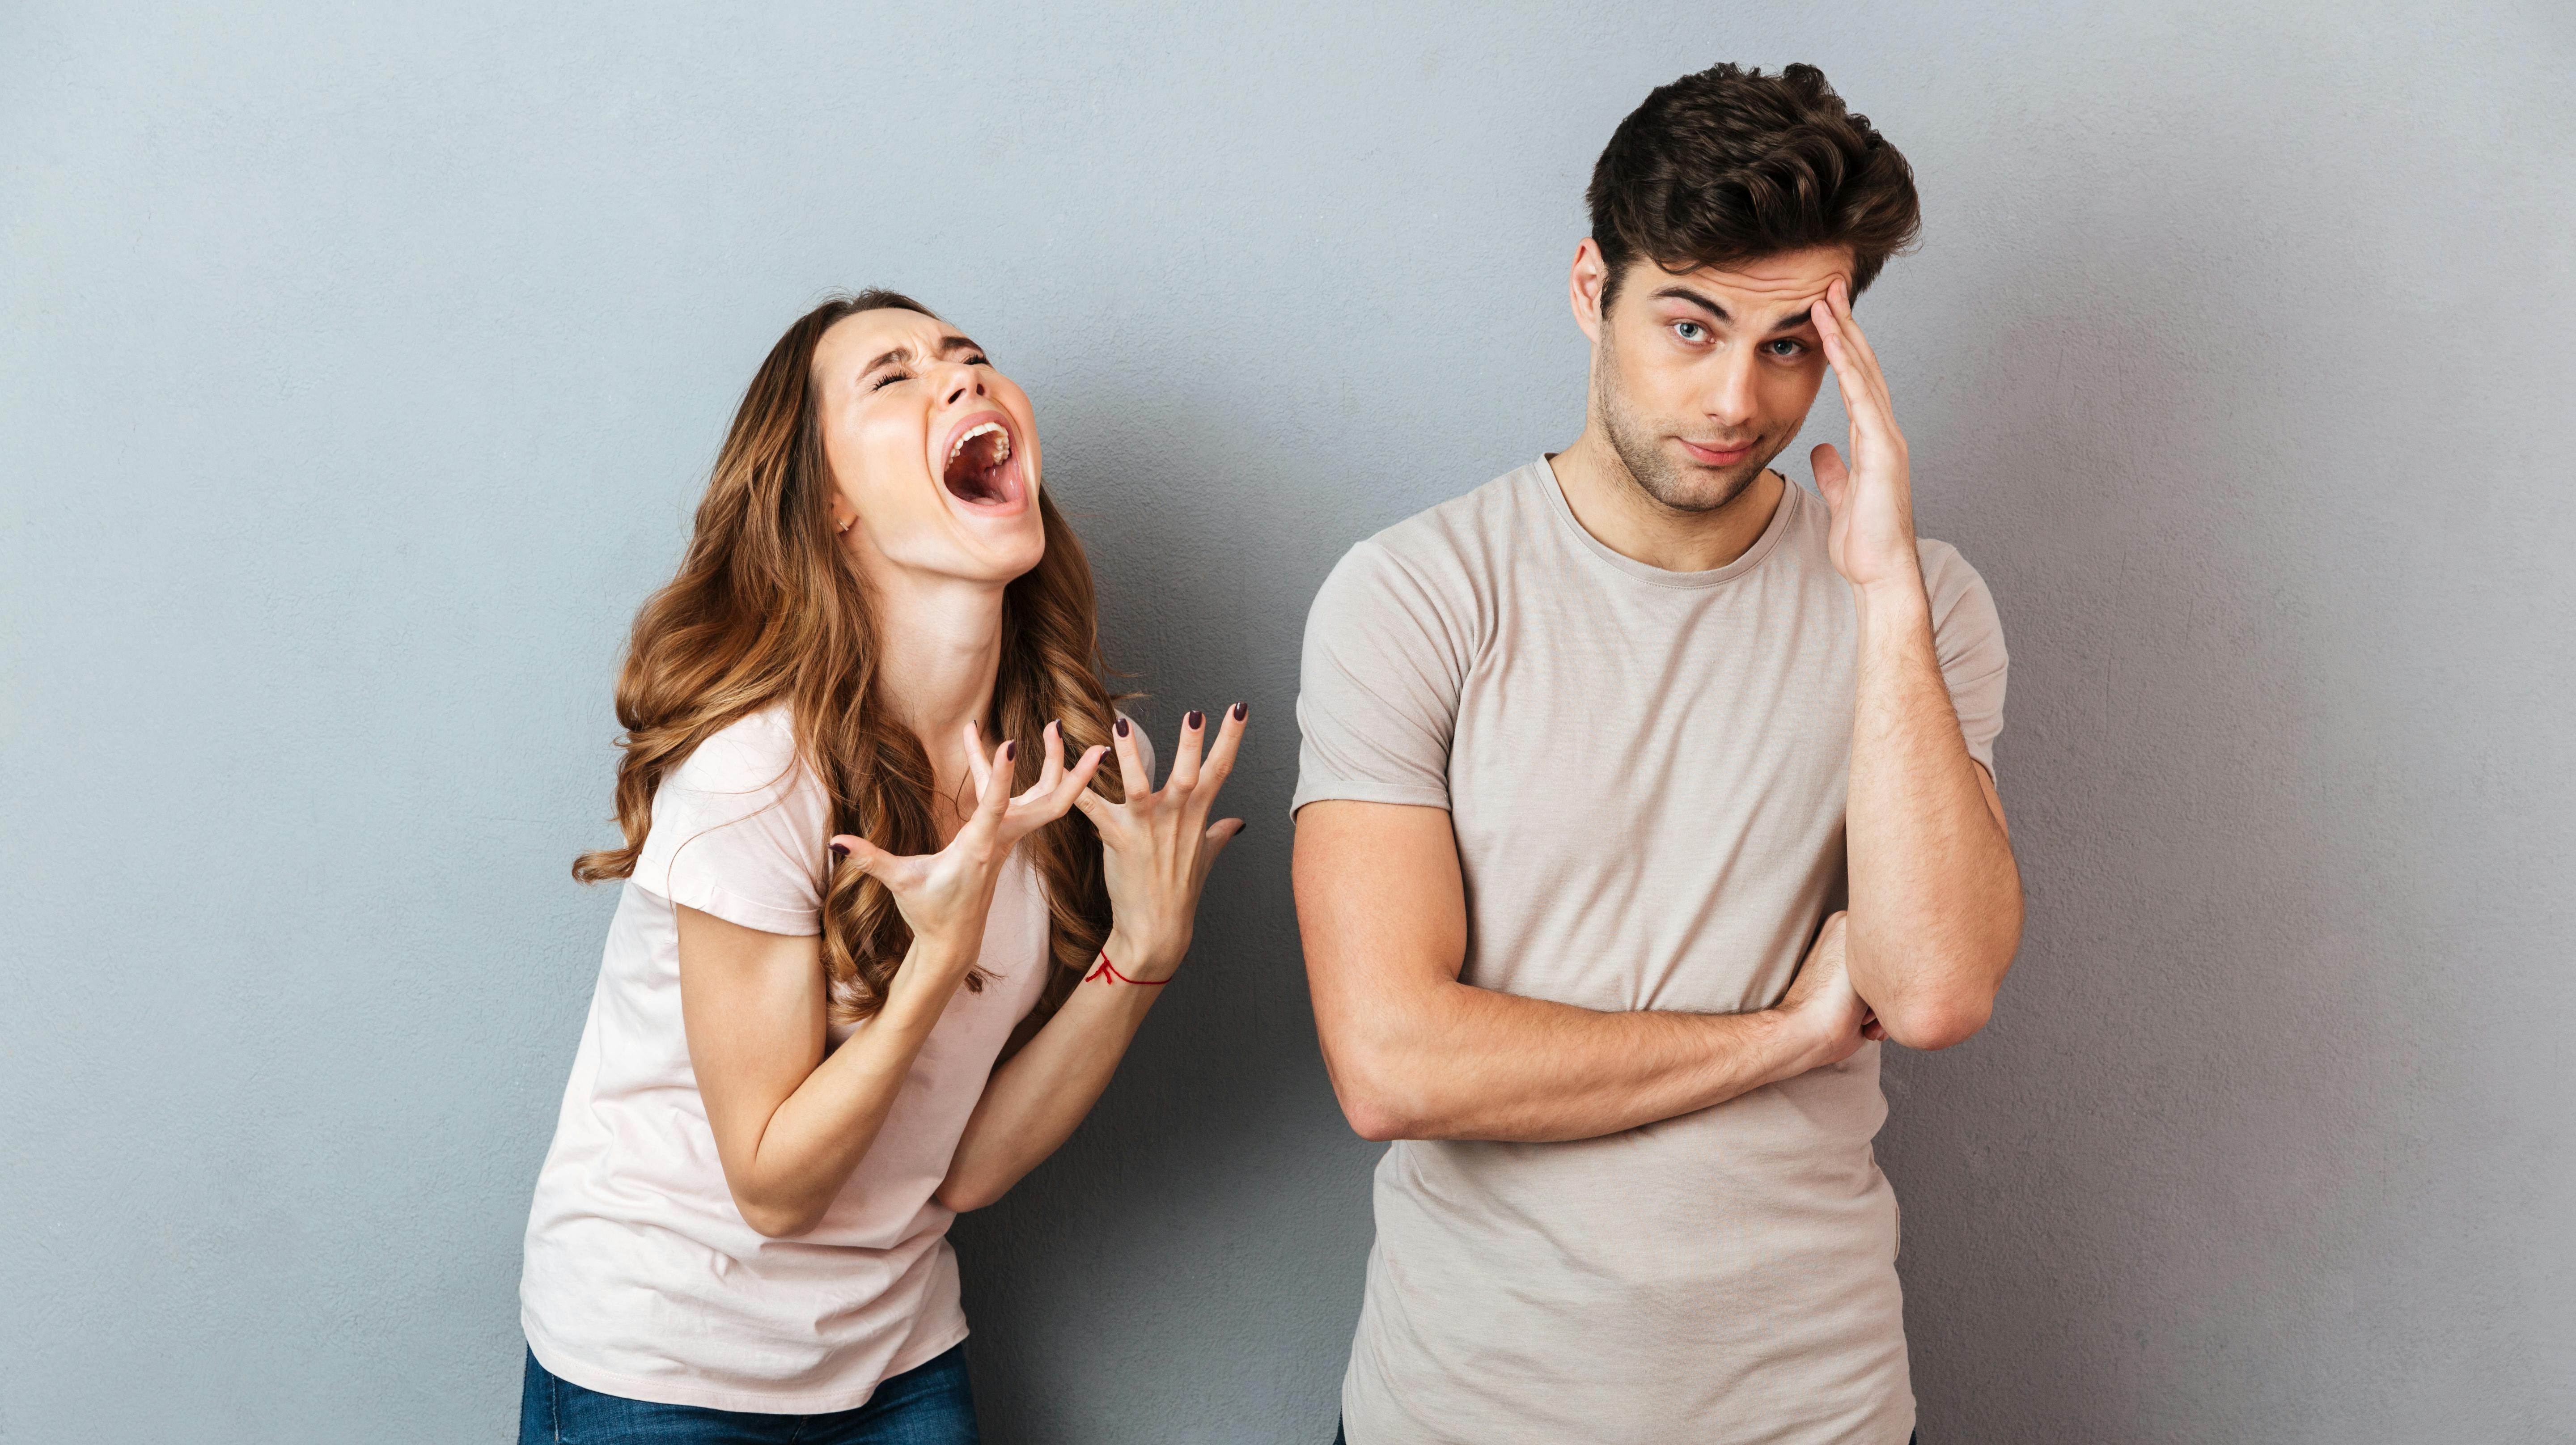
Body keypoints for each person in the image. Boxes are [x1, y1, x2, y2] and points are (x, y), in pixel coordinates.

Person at [1292, 63, 2021, 1443]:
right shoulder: (1416, 595)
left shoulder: (1923, 608)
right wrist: (1781, 1039)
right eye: (1689, 327)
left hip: (1813, 1407)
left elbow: (1931, 990)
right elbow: (1393, 1062)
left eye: (1792, 343)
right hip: (1470, 1410)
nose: (1737, 397)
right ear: (1591, 289)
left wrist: (1888, 602)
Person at [517, 290, 1248, 1443]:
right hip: (659, 1366)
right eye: (893, 377)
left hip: (899, 1353)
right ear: (833, 504)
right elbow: (773, 1184)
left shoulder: (1088, 766)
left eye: (970, 358)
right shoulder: (760, 771)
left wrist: (1141, 956)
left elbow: (960, 1173)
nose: (962, 378)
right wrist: (936, 959)